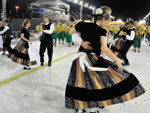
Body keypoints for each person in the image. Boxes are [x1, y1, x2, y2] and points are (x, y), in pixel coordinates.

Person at [65, 6, 145, 113]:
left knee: (80, 83)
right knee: (95, 84)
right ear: (103, 18)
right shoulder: (102, 31)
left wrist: (81, 42)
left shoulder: (83, 24)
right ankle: (92, 106)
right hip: (92, 60)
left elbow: (69, 33)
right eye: (107, 20)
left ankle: (80, 106)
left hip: (79, 58)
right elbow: (104, 48)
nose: (108, 23)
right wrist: (116, 59)